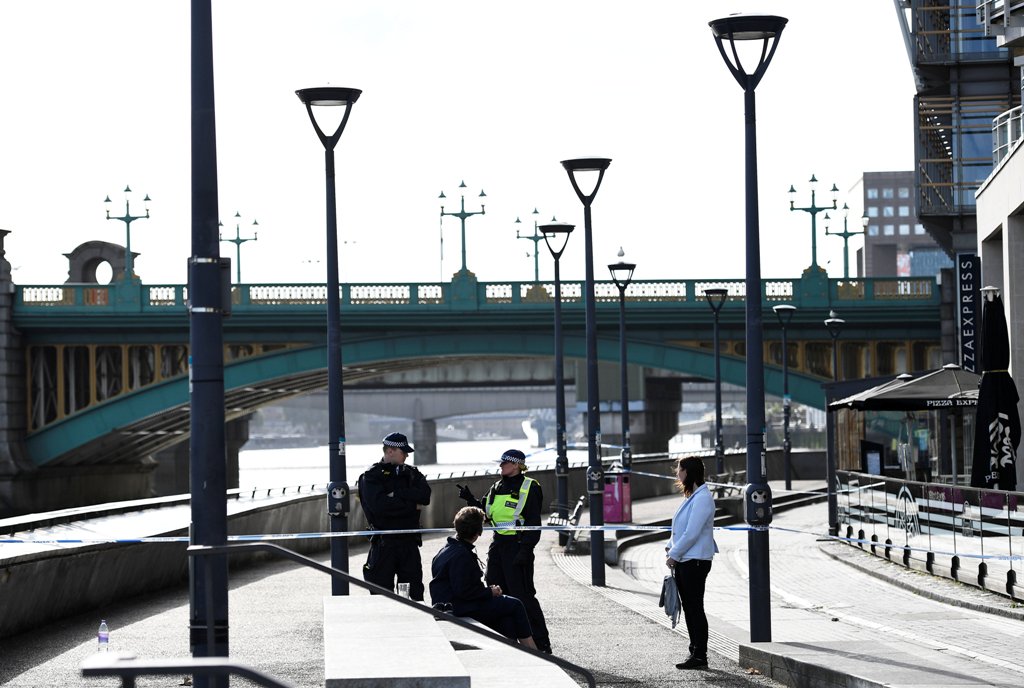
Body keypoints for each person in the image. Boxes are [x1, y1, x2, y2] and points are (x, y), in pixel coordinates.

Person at [456, 448, 552, 653]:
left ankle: (541, 644)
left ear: (516, 465)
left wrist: (526, 550)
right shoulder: (496, 487)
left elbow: (534, 523)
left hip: (518, 547)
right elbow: (487, 514)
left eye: (504, 463)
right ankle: (506, 640)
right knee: (496, 593)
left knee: (523, 596)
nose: (500, 466)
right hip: (498, 546)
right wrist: (470, 500)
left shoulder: (530, 486)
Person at [430, 506, 537, 650]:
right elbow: (464, 591)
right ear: (478, 533)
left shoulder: (446, 550)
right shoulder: (462, 555)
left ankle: (513, 653)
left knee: (508, 621)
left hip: (447, 604)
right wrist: (490, 592)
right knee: (515, 605)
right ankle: (534, 651)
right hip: (459, 607)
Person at [356, 432, 431, 600]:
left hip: (408, 543)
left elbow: (425, 496)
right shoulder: (371, 476)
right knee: (382, 596)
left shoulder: (411, 473)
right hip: (384, 544)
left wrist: (396, 494)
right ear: (390, 451)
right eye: (402, 452)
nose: (406, 455)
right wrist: (412, 505)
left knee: (414, 596)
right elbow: (380, 507)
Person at [665, 455, 718, 670]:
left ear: (688, 472)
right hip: (687, 560)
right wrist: (671, 546)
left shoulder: (703, 498)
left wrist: (674, 554)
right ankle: (694, 650)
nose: (677, 473)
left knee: (695, 607)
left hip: (695, 561)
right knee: (689, 607)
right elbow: (680, 529)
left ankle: (700, 654)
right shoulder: (694, 496)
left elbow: (692, 532)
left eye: (680, 469)